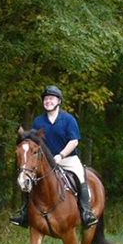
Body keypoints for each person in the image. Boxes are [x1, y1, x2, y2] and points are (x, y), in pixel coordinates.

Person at [10, 85, 98, 228]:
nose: (48, 101)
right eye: (46, 99)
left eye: (51, 98)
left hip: (68, 158)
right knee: (27, 179)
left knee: (81, 177)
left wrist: (61, 155)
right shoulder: (39, 121)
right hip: (46, 161)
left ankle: (86, 213)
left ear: (58, 101)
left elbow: (74, 141)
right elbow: (34, 143)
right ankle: (24, 214)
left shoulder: (68, 119)